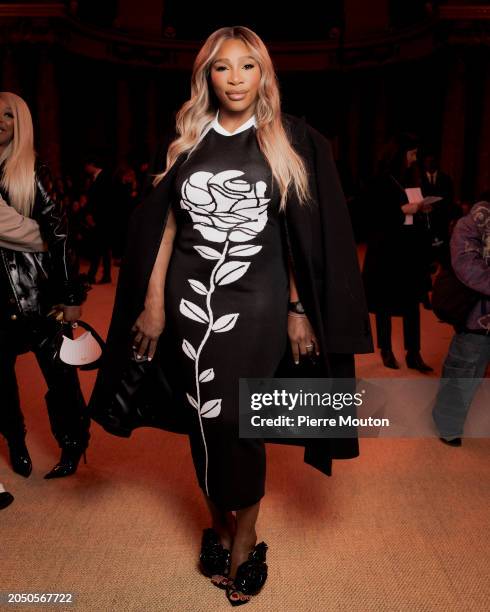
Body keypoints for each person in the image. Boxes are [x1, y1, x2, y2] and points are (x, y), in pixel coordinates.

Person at [89, 27, 372, 606]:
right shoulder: (187, 142)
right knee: (200, 413)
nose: (237, 78)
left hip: (258, 300)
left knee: (237, 419)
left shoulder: (290, 142)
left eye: (248, 66)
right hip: (188, 295)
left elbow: (301, 239)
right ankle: (218, 526)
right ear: (207, 77)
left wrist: (299, 309)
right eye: (223, 68)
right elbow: (165, 227)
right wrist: (152, 304)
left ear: (264, 74)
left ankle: (245, 539)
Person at [0, 91, 90, 479]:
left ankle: (72, 447)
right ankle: (16, 443)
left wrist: (72, 296)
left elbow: (60, 235)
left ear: (20, 124)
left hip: (39, 296)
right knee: (1, 384)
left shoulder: (32, 169)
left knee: (61, 379)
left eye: (8, 115)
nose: (0, 121)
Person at [362, 134, 434, 371]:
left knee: (411, 303)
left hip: (409, 250)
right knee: (384, 303)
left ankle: (414, 353)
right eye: (411, 153)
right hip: (386, 251)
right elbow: (372, 217)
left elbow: (414, 208)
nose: (415, 158)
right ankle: (386, 350)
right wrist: (404, 209)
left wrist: (423, 208)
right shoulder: (380, 180)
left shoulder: (413, 177)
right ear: (398, 155)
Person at [432, 197, 490, 446]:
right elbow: (467, 266)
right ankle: (448, 425)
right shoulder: (475, 221)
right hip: (479, 318)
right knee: (464, 371)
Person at [84, 155, 114, 284]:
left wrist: (93, 216)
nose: (85, 168)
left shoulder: (104, 178)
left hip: (102, 219)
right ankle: (102, 275)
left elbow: (103, 201)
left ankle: (95, 275)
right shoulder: (96, 178)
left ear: (92, 165)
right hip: (100, 219)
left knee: (100, 248)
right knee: (102, 248)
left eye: (87, 165)